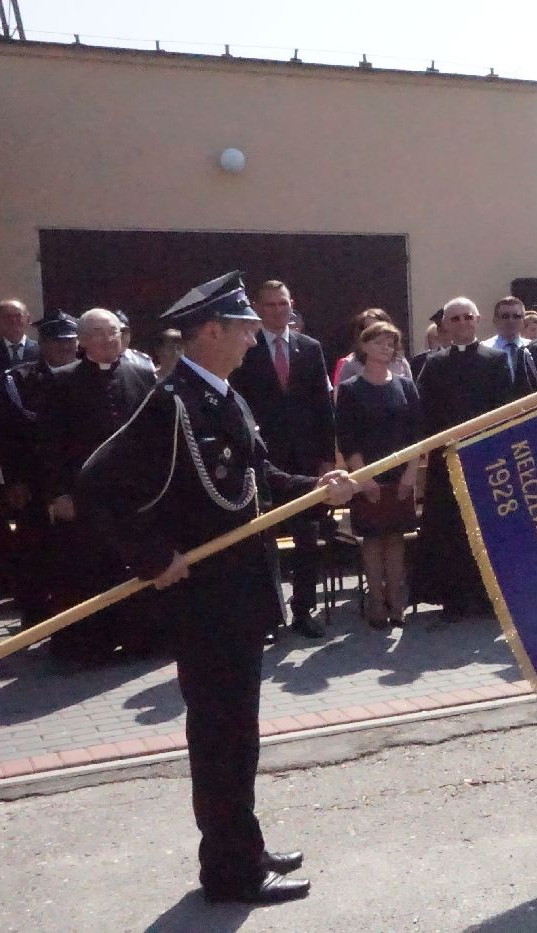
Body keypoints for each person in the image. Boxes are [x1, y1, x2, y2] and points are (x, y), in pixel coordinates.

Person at [77, 271, 358, 904]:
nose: (256, 337)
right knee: (219, 737)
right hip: (204, 601)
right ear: (211, 331)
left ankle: (243, 846)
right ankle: (229, 872)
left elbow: (257, 478)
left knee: (239, 734)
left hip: (241, 594)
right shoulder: (172, 401)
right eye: (246, 328)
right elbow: (97, 483)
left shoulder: (225, 397)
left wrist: (317, 491)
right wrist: (152, 557)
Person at [39, 308, 159, 662]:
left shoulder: (142, 374)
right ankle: (92, 647)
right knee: (91, 569)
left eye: (114, 332)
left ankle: (141, 639)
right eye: (98, 333)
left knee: (136, 563)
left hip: (133, 495)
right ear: (82, 340)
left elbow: (154, 434)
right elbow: (49, 444)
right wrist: (58, 493)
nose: (108, 340)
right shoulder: (61, 381)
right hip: (85, 496)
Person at [230, 279, 336, 639]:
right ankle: (268, 615)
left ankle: (303, 609)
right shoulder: (246, 348)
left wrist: (326, 458)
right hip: (261, 459)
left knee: (307, 538)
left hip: (304, 460)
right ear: (257, 308)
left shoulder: (310, 348)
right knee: (262, 540)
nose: (278, 311)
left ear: (292, 305)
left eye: (283, 304)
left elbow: (322, 407)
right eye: (270, 305)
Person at [413, 297, 514, 620]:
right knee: (449, 529)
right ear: (445, 325)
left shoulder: (496, 360)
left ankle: (487, 598)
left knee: (486, 529)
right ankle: (453, 599)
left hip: (484, 459)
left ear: (478, 319)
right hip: (447, 461)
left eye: (467, 317)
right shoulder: (434, 364)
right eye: (454, 319)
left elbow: (503, 408)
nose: (462, 323)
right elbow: (425, 410)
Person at [0, 309, 79, 627]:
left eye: (71, 342)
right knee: (34, 548)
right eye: (58, 342)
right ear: (43, 345)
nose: (66, 348)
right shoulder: (18, 380)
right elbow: (2, 436)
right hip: (33, 481)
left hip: (76, 480)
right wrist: (11, 482)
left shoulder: (87, 376)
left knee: (76, 551)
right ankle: (36, 617)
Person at [335, 321, 422, 629]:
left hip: (401, 475)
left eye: (391, 343)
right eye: (379, 342)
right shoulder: (350, 389)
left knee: (396, 539)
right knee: (372, 540)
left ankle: (396, 601)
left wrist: (411, 473)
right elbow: (347, 438)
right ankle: (375, 602)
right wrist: (364, 478)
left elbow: (417, 434)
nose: (386, 348)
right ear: (364, 346)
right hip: (367, 474)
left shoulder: (405, 385)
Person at [332, 308, 412, 391]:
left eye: (380, 329)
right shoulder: (350, 364)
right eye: (370, 329)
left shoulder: (401, 363)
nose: (376, 333)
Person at [480, 296, 537, 396]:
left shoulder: (534, 348)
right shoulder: (484, 349)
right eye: (505, 316)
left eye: (516, 316)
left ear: (523, 321)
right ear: (495, 320)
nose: (511, 320)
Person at [0, 299, 39, 382]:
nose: (13, 320)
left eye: (18, 315)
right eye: (7, 316)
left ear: (28, 319)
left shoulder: (42, 350)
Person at [409, 311, 450, 383]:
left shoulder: (467, 357)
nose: (450, 336)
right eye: (445, 331)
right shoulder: (420, 361)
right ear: (438, 331)